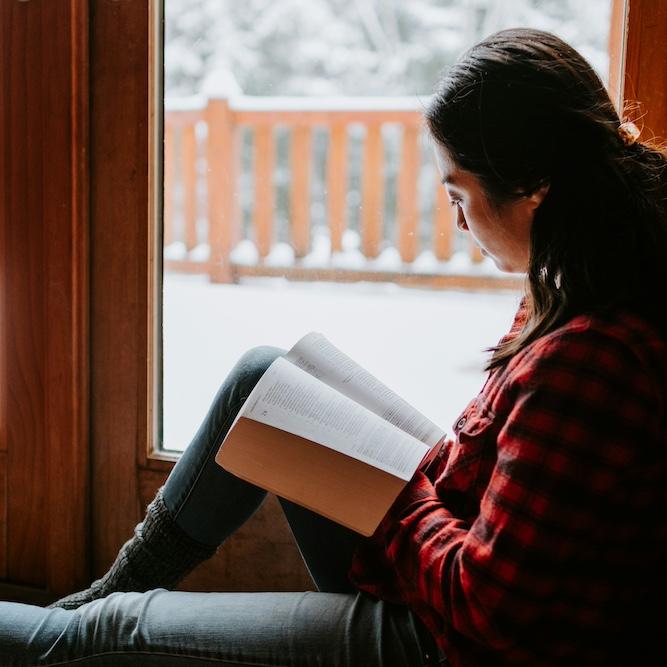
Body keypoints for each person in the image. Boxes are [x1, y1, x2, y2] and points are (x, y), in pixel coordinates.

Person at [1, 26, 666, 666]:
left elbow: (487, 611)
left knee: (111, 631)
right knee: (263, 378)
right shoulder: (584, 280)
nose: (456, 218)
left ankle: (71, 633)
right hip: (446, 569)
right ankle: (86, 610)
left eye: (458, 192)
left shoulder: (590, 358)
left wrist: (396, 495)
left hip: (445, 643)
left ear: (533, 186)